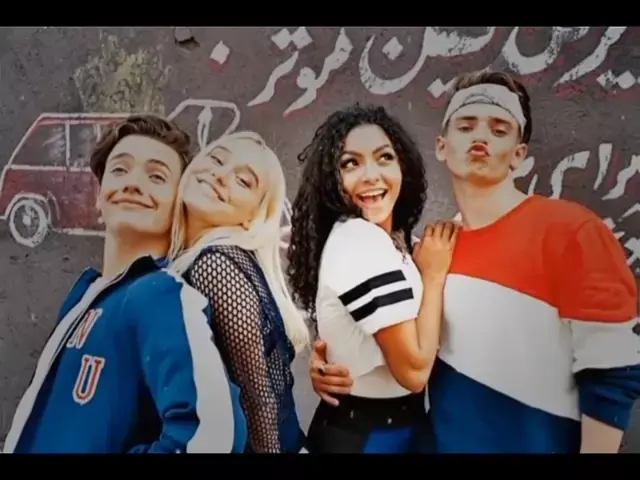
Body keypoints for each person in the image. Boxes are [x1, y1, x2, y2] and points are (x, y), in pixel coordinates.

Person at [307, 70, 640, 454]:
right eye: (466, 126)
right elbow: (402, 339)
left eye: (499, 129)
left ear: (519, 154)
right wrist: (332, 363)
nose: (481, 137)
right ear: (442, 146)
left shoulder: (573, 232)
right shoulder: (432, 248)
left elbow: (613, 373)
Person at [3, 114, 242, 454]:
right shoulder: (86, 295)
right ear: (98, 196)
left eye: (157, 176)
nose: (133, 183)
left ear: (179, 205)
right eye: (119, 169)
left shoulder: (159, 293)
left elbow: (212, 436)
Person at [286, 103, 460, 453]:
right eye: (350, 163)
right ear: (331, 179)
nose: (370, 175)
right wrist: (433, 276)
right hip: (369, 438)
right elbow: (413, 373)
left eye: (384, 158)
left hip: (384, 431)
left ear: (403, 167)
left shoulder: (388, 241)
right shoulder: (360, 241)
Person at [167, 131, 309, 453]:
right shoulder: (210, 260)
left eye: (243, 181)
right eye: (217, 160)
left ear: (253, 217)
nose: (220, 176)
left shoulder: (216, 264)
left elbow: (257, 396)